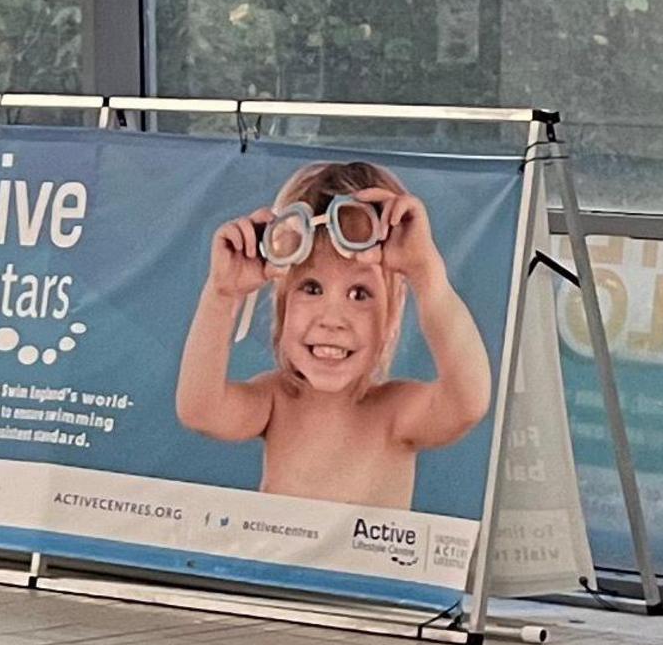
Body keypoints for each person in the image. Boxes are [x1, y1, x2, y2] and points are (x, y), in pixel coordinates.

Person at [176, 159, 494, 510]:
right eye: (311, 288)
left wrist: (426, 273)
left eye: (359, 294)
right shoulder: (275, 400)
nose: (332, 319)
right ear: (281, 302)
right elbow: (199, 411)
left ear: (391, 315)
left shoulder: (394, 413)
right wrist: (223, 295)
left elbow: (469, 402)